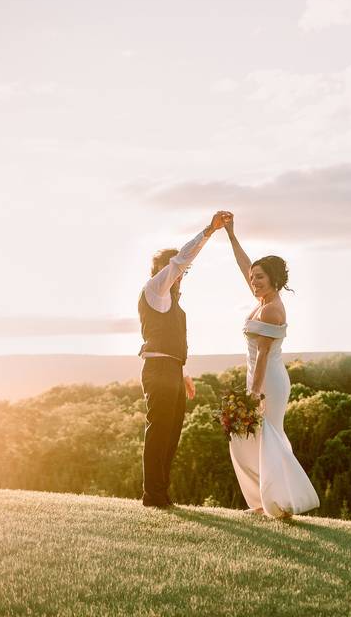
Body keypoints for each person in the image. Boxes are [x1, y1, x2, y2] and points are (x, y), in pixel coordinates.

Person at [223, 214, 319, 518]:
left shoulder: (272, 310)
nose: (253, 282)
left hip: (269, 382)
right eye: (253, 278)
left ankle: (282, 504)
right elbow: (244, 265)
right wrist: (230, 233)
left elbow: (263, 355)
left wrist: (253, 393)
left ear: (274, 279)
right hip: (258, 377)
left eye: (260, 278)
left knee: (269, 439)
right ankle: (265, 501)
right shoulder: (262, 299)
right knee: (248, 441)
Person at [137, 210, 231, 508]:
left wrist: (183, 373)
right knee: (159, 431)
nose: (181, 276)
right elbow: (180, 262)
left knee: (171, 434)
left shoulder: (172, 302)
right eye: (177, 272)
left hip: (172, 369)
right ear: (165, 271)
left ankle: (161, 494)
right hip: (158, 369)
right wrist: (208, 231)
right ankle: (152, 496)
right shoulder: (155, 289)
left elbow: (173, 342)